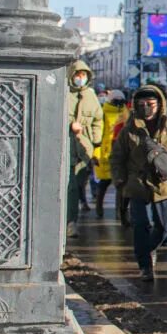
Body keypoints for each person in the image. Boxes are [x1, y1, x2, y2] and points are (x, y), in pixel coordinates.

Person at [109, 84, 167, 282]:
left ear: (160, 104)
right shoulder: (129, 129)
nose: (147, 107)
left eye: (151, 104)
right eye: (142, 104)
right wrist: (120, 181)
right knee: (140, 225)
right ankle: (144, 265)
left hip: (164, 185)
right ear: (136, 105)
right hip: (137, 185)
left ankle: (150, 249)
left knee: (164, 227)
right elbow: (117, 157)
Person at [66, 58, 104, 238]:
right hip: (66, 148)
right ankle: (69, 223)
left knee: (80, 185)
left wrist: (96, 140)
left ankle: (70, 220)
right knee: (70, 188)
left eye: (83, 75)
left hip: (84, 149)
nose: (80, 78)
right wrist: (69, 125)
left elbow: (98, 119)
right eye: (77, 75)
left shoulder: (90, 95)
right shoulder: (63, 93)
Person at [92, 90, 128, 221]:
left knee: (120, 184)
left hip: (121, 152)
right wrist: (95, 153)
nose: (118, 101)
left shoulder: (126, 112)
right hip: (105, 152)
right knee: (104, 183)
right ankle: (99, 209)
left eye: (120, 98)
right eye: (115, 98)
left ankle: (120, 212)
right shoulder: (103, 112)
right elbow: (98, 133)